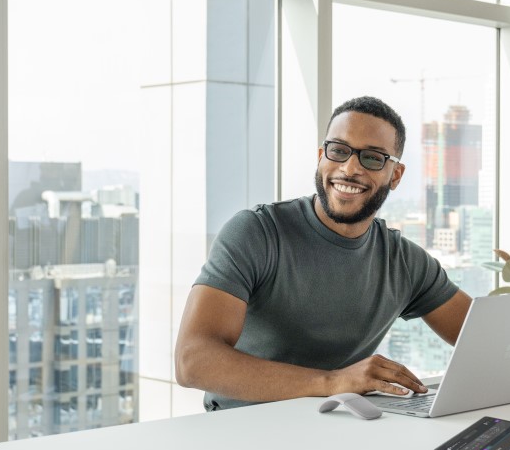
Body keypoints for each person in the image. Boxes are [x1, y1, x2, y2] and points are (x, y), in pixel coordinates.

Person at [175, 95, 473, 410]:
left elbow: (487, 342)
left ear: (395, 175)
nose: (349, 168)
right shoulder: (257, 233)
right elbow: (192, 361)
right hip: (241, 434)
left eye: (371, 157)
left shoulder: (404, 262)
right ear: (321, 156)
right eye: (339, 151)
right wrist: (332, 382)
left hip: (339, 432)